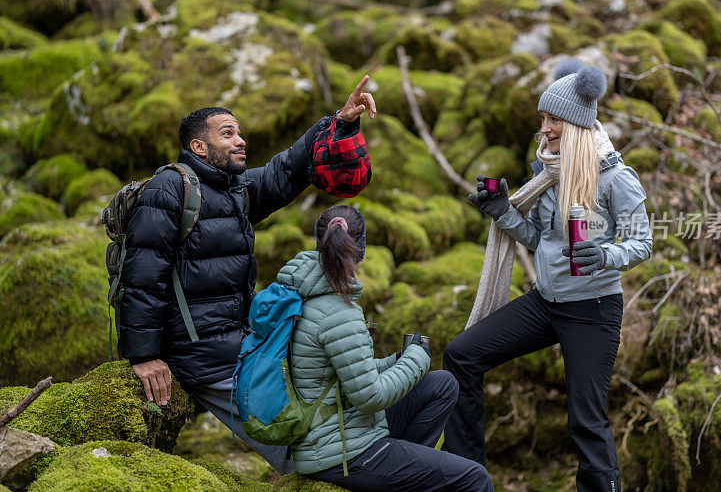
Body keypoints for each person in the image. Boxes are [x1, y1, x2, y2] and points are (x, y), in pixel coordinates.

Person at [117, 77, 377, 474]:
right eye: (227, 134)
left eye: (239, 132)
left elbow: (286, 170)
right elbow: (143, 276)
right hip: (203, 352)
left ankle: (352, 446)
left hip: (241, 336)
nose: (240, 140)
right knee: (294, 438)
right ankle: (324, 465)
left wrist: (338, 123)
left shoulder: (234, 188)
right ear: (198, 147)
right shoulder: (169, 189)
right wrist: (145, 355)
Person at [444, 59, 653, 492]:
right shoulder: (547, 173)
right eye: (542, 118)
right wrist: (502, 211)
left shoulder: (616, 178)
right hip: (547, 302)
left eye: (552, 119)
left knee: (585, 418)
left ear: (575, 123)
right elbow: (542, 240)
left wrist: (606, 255)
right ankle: (464, 477)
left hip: (593, 310)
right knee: (461, 356)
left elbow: (642, 244)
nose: (544, 128)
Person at [279, 204, 494, 491]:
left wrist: (394, 361)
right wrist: (415, 358)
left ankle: (404, 476)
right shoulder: (339, 312)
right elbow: (370, 397)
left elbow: (338, 375)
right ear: (361, 252)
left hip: (335, 429)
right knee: (474, 477)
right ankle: (397, 472)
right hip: (342, 454)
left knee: (443, 384)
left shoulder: (302, 291)